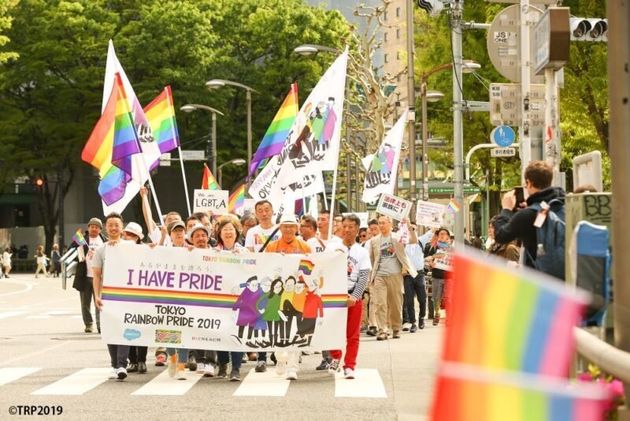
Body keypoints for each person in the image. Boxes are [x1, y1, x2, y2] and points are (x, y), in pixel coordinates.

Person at [493, 161, 566, 273]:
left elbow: (500, 236)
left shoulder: (527, 215)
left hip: (539, 281)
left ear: (529, 183)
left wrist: (506, 210)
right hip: (566, 280)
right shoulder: (564, 206)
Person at [265, 213, 312, 381]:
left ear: (297, 228)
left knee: (296, 331)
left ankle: (293, 366)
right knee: (278, 330)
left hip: (298, 295)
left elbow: (311, 268)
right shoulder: (272, 246)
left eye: (292, 226)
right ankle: (280, 359)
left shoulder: (305, 247)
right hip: (278, 295)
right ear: (280, 228)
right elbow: (265, 268)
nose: (288, 229)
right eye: (285, 226)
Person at [326, 214, 371, 379]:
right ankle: (336, 356)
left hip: (353, 296)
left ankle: (349, 365)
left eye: (351, 226)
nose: (347, 229)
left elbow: (364, 275)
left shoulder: (362, 252)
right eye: (344, 226)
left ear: (357, 229)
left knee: (353, 334)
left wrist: (355, 296)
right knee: (330, 331)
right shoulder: (332, 248)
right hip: (333, 297)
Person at [92, 212, 132, 380]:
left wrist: (152, 247)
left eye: (117, 225)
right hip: (108, 297)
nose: (114, 228)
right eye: (110, 225)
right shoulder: (101, 250)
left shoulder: (131, 247)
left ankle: (122, 364)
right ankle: (114, 364)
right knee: (110, 330)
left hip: (127, 296)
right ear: (106, 228)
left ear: (122, 228)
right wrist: (97, 296)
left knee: (124, 329)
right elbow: (96, 276)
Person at [367, 215, 417, 341]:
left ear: (390, 224)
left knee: (395, 303)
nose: (381, 225)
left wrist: (410, 227)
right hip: (379, 275)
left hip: (395, 275)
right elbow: (372, 260)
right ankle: (382, 330)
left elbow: (413, 241)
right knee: (380, 303)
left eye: (384, 223)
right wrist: (371, 277)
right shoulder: (374, 241)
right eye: (380, 223)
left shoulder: (397, 237)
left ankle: (395, 328)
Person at [245, 200, 281, 372]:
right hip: (260, 281)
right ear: (256, 213)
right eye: (260, 210)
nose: (264, 213)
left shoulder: (281, 230)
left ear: (272, 211)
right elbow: (249, 254)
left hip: (278, 281)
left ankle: (276, 350)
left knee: (276, 318)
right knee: (261, 319)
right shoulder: (252, 232)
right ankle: (261, 356)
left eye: (267, 209)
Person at [213, 215, 245, 381]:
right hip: (219, 301)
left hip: (239, 301)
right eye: (224, 230)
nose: (228, 233)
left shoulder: (245, 252)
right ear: (219, 233)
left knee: (237, 333)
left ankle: (237, 368)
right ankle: (223, 363)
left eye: (231, 230)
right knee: (221, 332)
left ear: (236, 233)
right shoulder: (213, 252)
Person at [187, 223, 218, 378]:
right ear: (191, 239)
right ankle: (200, 359)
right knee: (196, 328)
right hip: (193, 299)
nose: (200, 238)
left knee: (210, 329)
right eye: (197, 236)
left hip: (212, 299)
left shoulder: (216, 253)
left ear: (208, 237)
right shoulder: (186, 254)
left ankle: (211, 362)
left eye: (203, 235)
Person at [164, 220, 191, 380]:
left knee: (185, 331)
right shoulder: (163, 251)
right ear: (170, 235)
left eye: (181, 231)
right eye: (175, 231)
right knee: (168, 331)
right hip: (168, 297)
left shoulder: (192, 250)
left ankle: (182, 365)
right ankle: (172, 357)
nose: (179, 233)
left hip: (187, 298)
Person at [121, 222, 149, 375]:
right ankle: (132, 360)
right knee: (128, 328)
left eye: (132, 235)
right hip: (124, 295)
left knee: (141, 327)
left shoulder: (146, 250)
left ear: (138, 238)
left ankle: (142, 360)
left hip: (143, 296)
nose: (128, 237)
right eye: (126, 234)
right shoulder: (117, 249)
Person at [72, 218, 105, 333]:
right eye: (92, 226)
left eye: (97, 227)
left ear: (100, 230)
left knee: (99, 302)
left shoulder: (104, 241)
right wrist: (78, 243)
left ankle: (101, 325)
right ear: (88, 227)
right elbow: (73, 251)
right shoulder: (83, 239)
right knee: (85, 303)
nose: (94, 229)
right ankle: (89, 324)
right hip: (85, 275)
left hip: (100, 277)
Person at [424, 228, 452, 326]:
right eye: (440, 234)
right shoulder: (433, 247)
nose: (442, 236)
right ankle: (437, 314)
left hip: (448, 276)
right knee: (436, 297)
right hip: (436, 275)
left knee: (448, 297)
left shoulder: (452, 248)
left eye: (444, 234)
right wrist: (430, 263)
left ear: (448, 236)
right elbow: (427, 260)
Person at [403, 225, 428, 332]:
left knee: (422, 298)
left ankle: (421, 317)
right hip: (408, 274)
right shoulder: (404, 243)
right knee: (409, 300)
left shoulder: (421, 241)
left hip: (419, 274)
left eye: (413, 229)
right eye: (409, 229)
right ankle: (413, 322)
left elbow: (433, 230)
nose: (411, 231)